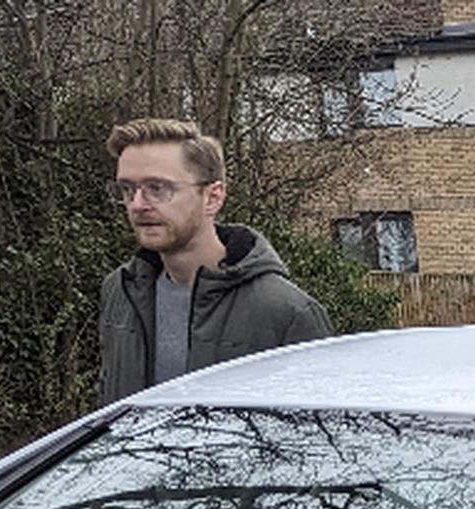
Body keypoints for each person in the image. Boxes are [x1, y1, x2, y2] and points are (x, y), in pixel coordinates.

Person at [98, 118, 331, 405]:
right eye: (127, 189)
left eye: (157, 188)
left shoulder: (287, 313)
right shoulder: (119, 292)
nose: (137, 204)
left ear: (212, 197)